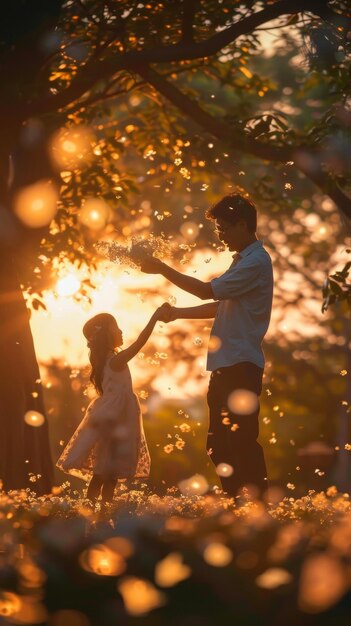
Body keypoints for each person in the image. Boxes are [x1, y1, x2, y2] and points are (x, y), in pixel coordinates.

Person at [140, 194, 273, 498]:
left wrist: (162, 268)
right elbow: (220, 305)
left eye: (224, 229)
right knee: (218, 444)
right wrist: (177, 314)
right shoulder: (242, 262)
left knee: (241, 441)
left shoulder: (255, 262)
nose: (221, 236)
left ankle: (257, 507)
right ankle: (237, 502)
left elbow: (205, 292)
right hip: (226, 365)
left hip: (242, 364)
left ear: (242, 224)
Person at [57, 304, 171, 503]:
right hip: (114, 421)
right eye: (116, 327)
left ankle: (100, 513)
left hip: (117, 419)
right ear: (106, 336)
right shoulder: (115, 361)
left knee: (108, 474)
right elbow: (140, 342)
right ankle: (92, 512)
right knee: (104, 473)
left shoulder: (107, 362)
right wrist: (154, 318)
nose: (120, 330)